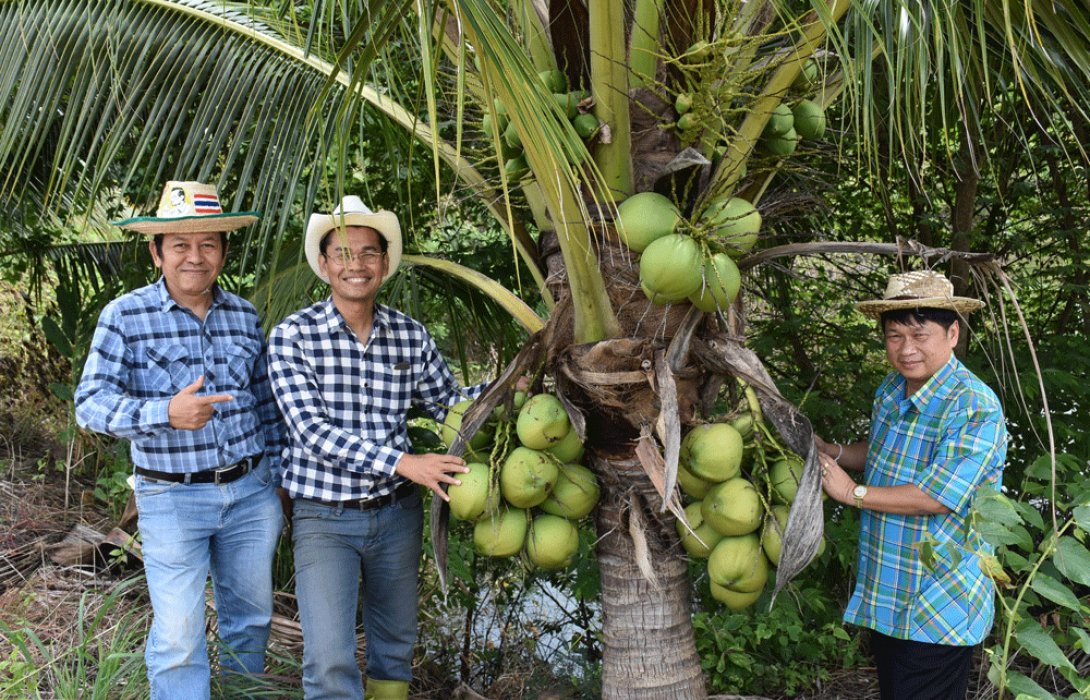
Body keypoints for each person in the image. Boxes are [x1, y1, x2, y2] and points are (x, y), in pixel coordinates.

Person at [268, 196, 487, 700]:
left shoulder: (409, 335)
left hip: (396, 515)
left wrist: (509, 386)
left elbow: (448, 405)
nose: (356, 265)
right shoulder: (294, 337)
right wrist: (404, 462)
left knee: (394, 646)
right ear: (324, 264)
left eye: (369, 253)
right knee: (329, 656)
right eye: (342, 254)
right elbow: (311, 431)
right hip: (325, 516)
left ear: (385, 264)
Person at [74, 181, 283, 699]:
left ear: (223, 252)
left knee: (251, 622)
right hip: (171, 496)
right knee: (178, 637)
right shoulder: (125, 315)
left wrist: (277, 479)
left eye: (208, 244)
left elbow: (266, 404)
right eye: (180, 245)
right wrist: (164, 412)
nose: (195, 256)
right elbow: (90, 404)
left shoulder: (244, 315)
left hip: (251, 495)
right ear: (156, 252)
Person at [815, 270, 1007, 700]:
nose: (906, 349)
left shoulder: (973, 406)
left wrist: (852, 493)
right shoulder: (892, 388)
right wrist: (834, 451)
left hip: (939, 602)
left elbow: (938, 496)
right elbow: (885, 453)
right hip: (890, 591)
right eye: (895, 336)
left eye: (920, 335)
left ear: (952, 333)